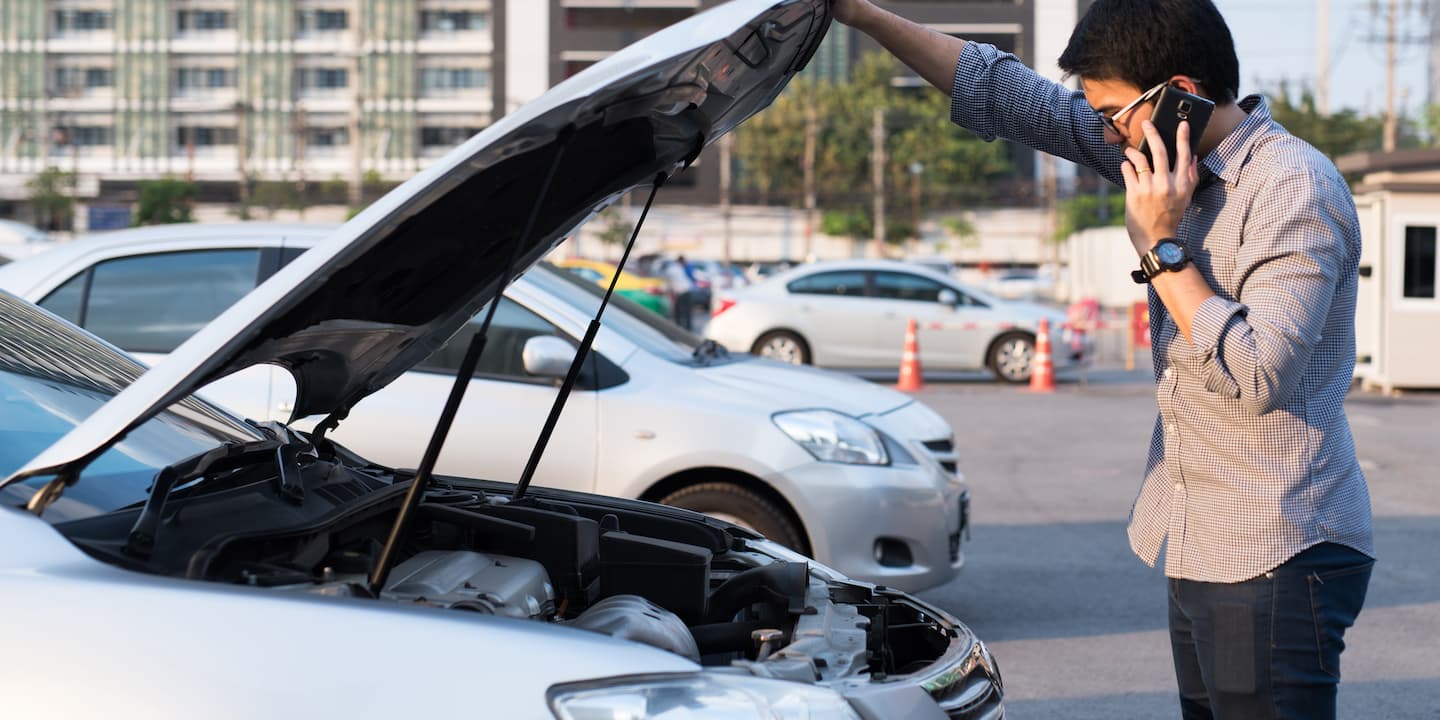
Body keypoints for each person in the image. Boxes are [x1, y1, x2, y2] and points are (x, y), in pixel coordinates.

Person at [834, 1, 1374, 718]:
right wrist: (862, 16)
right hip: (1200, 534)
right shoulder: (1156, 156)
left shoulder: (1293, 189)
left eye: (1116, 112)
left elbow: (1259, 374)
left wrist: (1161, 248)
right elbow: (1001, 91)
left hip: (1274, 544)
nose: (1106, 130)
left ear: (1180, 93)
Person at [664, 255, 694, 329]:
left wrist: (666, 290)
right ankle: (686, 329)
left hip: (682, 292)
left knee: (679, 312)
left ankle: (680, 329)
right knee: (685, 312)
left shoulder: (673, 269)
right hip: (686, 291)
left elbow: (668, 283)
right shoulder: (677, 268)